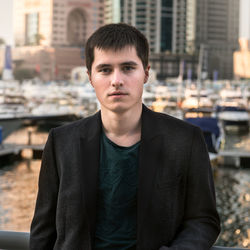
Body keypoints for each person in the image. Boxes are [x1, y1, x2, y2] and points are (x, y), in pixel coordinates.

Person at [30, 23, 220, 250]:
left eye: (128, 68)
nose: (116, 80)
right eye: (105, 70)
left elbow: (203, 220)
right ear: (90, 77)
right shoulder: (61, 142)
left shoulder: (185, 140)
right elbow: (43, 229)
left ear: (146, 73)